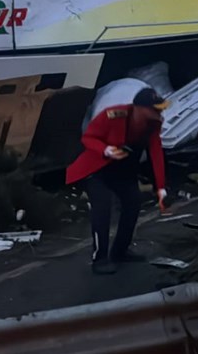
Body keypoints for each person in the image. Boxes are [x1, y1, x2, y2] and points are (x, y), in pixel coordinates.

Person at [66, 86, 169, 275]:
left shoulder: (153, 125)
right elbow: (89, 138)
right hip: (98, 169)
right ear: (138, 108)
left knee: (133, 203)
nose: (158, 113)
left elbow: (155, 152)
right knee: (102, 207)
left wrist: (160, 186)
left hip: (123, 171)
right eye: (154, 109)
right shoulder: (114, 115)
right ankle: (100, 258)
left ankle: (120, 251)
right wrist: (105, 149)